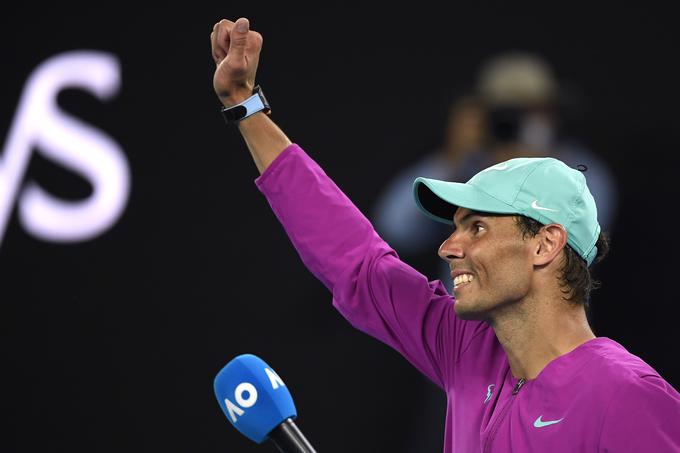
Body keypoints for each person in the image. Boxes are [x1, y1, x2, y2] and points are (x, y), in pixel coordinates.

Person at [210, 17, 680, 452]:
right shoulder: (463, 346)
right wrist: (246, 109)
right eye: (455, 227)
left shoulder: (626, 396)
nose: (448, 247)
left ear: (545, 244)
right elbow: (353, 259)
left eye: (476, 227)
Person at [372, 51, 618, 294]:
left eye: (530, 112)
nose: (517, 124)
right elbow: (396, 226)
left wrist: (534, 172)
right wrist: (452, 157)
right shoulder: (467, 168)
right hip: (466, 322)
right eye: (507, 114)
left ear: (551, 113)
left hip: (545, 325)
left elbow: (583, 244)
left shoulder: (579, 172)